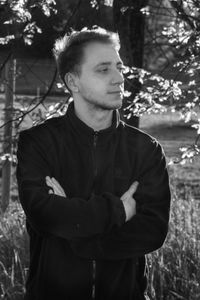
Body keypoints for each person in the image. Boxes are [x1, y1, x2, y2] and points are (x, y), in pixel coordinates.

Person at [16, 28, 171, 300]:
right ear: (73, 81)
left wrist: (77, 236)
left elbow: (152, 232)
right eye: (103, 70)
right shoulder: (38, 143)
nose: (119, 78)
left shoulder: (146, 150)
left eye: (119, 67)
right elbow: (43, 214)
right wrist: (119, 211)